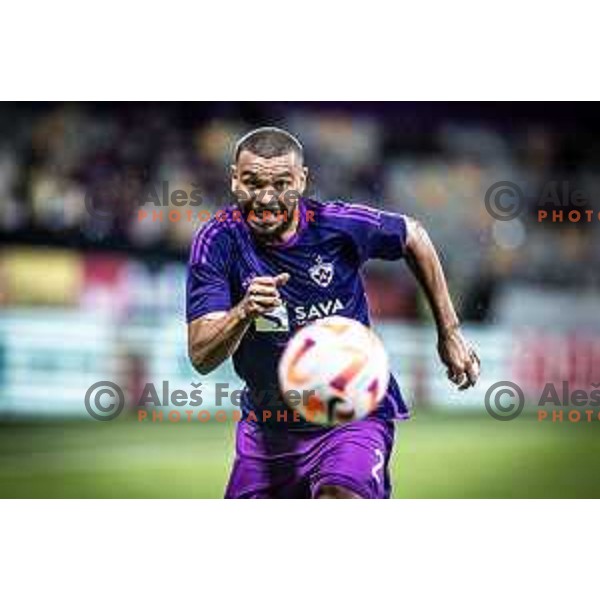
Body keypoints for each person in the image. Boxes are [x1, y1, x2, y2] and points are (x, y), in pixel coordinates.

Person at [187, 126, 480, 498]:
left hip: (353, 413)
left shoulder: (337, 225)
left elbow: (413, 235)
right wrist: (242, 312)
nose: (266, 198)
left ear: (303, 180)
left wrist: (449, 332)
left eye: (281, 184)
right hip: (268, 428)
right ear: (233, 180)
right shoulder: (217, 242)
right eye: (252, 183)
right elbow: (201, 355)